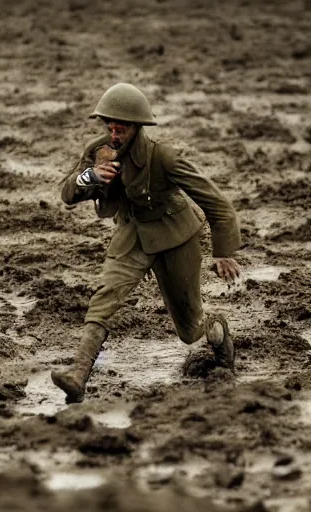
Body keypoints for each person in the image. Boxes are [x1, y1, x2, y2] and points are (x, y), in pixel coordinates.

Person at [52, 83, 242, 403]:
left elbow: (217, 203)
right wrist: (90, 178)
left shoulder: (164, 157)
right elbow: (67, 193)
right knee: (104, 299)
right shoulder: (97, 150)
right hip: (131, 238)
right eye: (110, 126)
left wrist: (223, 252)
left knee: (190, 328)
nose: (114, 134)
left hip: (175, 238)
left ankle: (217, 332)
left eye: (121, 128)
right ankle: (78, 375)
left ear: (137, 127)